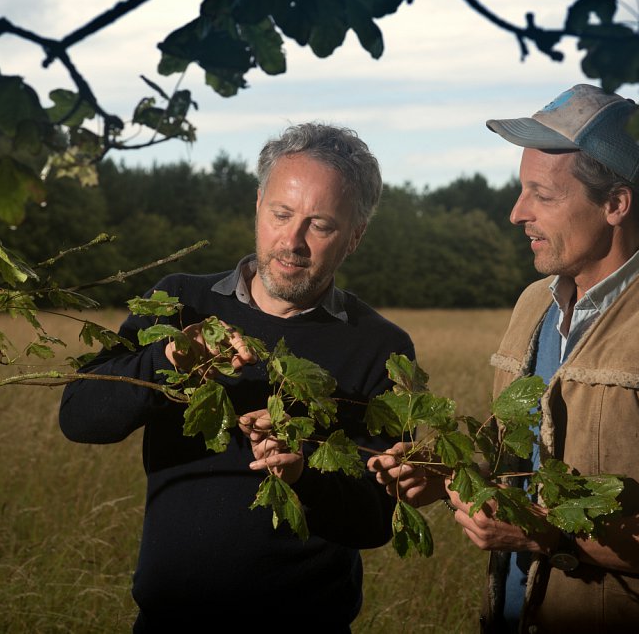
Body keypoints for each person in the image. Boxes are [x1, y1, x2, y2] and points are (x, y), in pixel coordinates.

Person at [368, 84, 639, 633]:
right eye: (520, 191)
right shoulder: (535, 303)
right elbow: (524, 451)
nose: (516, 213)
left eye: (542, 196)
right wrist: (449, 474)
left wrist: (545, 533)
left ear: (615, 204)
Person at [60, 122, 414, 632]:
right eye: (281, 214)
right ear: (257, 205)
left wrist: (304, 475)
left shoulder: (381, 346)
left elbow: (378, 518)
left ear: (354, 236)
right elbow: (79, 417)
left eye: (320, 225)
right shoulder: (180, 302)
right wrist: (170, 360)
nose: (291, 241)